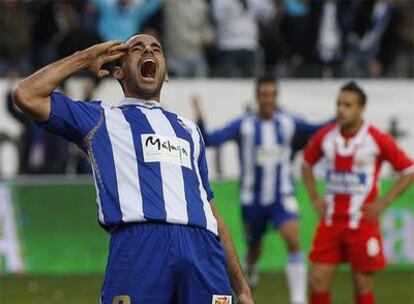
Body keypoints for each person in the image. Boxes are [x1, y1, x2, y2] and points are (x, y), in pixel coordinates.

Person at [12, 34, 253, 304]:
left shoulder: (189, 131)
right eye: (137, 48)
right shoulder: (100, 119)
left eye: (156, 49)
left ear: (166, 73)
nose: (148, 51)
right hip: (140, 246)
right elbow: (26, 94)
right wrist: (84, 58)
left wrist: (242, 288)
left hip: (202, 250)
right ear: (118, 71)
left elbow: (213, 214)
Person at [193, 75, 329, 304]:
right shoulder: (243, 125)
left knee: (293, 239)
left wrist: (340, 118)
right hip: (252, 200)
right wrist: (200, 116)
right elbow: (210, 139)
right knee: (253, 249)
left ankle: (298, 298)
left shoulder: (288, 122)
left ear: (277, 97)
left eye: (272, 94)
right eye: (264, 94)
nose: (268, 99)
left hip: (281, 195)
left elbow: (317, 128)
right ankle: (251, 268)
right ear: (257, 97)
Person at [301, 81, 414, 304]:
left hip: (362, 224)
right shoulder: (326, 136)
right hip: (331, 222)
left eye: (348, 105)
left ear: (361, 109)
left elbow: (408, 170)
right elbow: (306, 164)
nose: (341, 109)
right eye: (339, 104)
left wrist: (384, 202)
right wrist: (314, 197)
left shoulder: (376, 139)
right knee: (317, 280)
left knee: (362, 285)